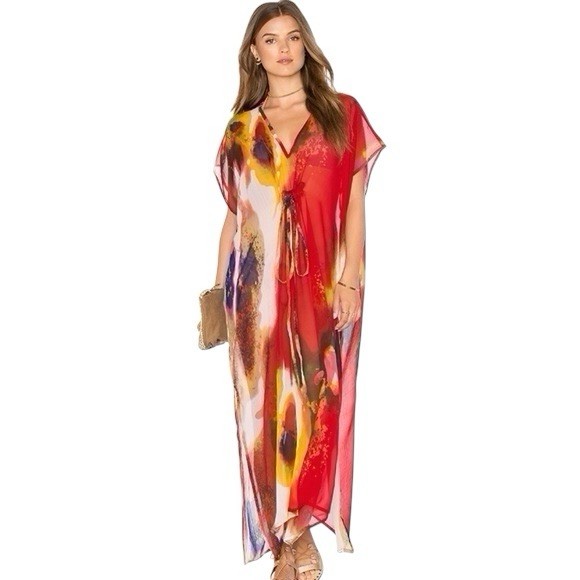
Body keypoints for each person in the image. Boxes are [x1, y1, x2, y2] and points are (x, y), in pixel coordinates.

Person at [212, 2, 385, 578]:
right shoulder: (241, 129)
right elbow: (235, 219)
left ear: (305, 44)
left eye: (292, 37)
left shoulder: (341, 113)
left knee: (318, 400)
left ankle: (297, 528)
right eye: (270, 39)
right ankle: (291, 539)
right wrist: (216, 295)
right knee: (263, 414)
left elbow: (354, 203)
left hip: (318, 288)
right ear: (254, 52)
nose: (283, 49)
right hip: (254, 297)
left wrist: (350, 278)